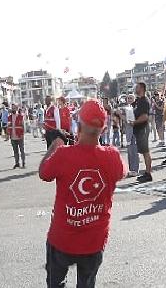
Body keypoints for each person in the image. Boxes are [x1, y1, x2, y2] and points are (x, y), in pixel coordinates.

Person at [39, 99, 128, 288]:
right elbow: (122, 172)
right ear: (103, 130)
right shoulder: (112, 157)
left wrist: (54, 147)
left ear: (78, 126)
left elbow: (44, 173)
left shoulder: (63, 155)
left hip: (62, 238)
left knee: (55, 283)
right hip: (93, 241)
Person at [131, 83, 153, 182]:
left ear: (142, 89)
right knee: (144, 152)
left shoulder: (144, 101)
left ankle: (148, 173)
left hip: (143, 129)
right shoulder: (138, 101)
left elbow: (145, 117)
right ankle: (147, 173)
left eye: (137, 87)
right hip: (139, 129)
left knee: (146, 151)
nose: (135, 89)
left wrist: (134, 122)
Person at [122, 95, 139, 177]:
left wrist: (121, 116)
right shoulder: (126, 108)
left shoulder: (136, 108)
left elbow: (129, 120)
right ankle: (131, 169)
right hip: (129, 132)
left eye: (131, 98)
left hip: (135, 131)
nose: (129, 99)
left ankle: (135, 169)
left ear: (134, 99)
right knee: (129, 151)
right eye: (128, 98)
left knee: (134, 151)